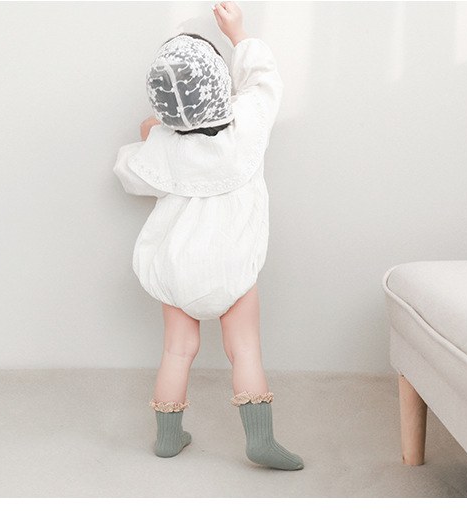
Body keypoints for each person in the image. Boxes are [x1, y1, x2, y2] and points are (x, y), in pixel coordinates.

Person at [113, 1, 303, 471]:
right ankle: (260, 440)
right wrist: (238, 34)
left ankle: (167, 437)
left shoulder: (162, 147)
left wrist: (149, 132)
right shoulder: (247, 126)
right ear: (219, 85)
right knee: (245, 349)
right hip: (233, 266)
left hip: (176, 268)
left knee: (177, 351)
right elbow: (264, 81)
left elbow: (129, 173)